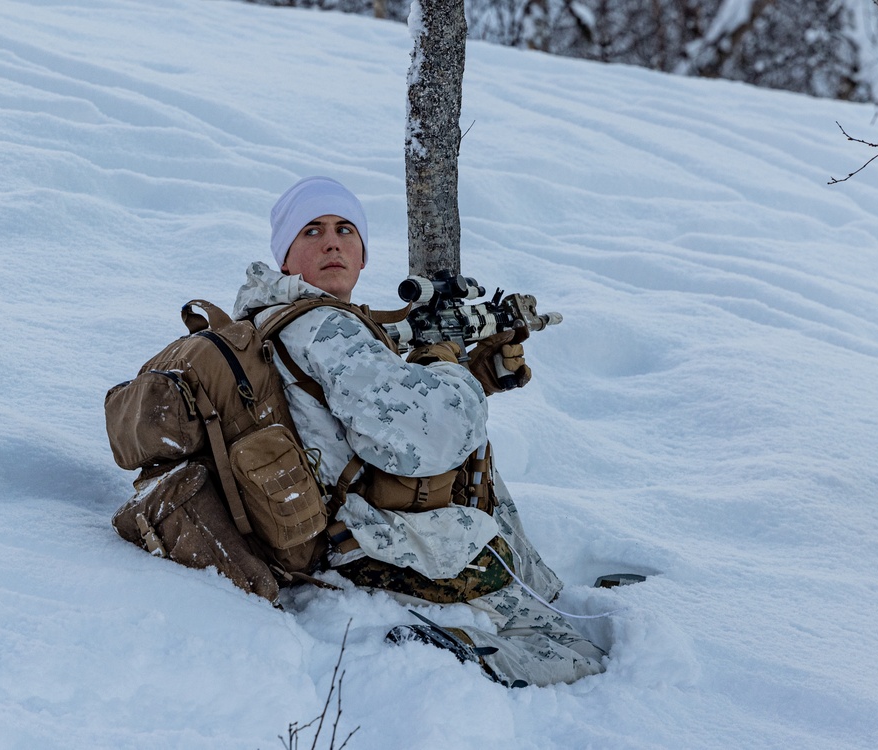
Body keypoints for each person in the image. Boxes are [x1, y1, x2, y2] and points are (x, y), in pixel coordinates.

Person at [232, 175, 606, 687]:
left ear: (363, 255)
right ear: (285, 256)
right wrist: (444, 361)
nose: (332, 241)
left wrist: (471, 377)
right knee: (581, 661)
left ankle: (547, 593)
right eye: (311, 231)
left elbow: (370, 415)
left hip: (336, 524)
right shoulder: (324, 327)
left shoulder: (279, 319)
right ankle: (460, 655)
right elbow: (433, 436)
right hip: (370, 542)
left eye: (345, 229)